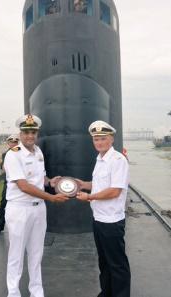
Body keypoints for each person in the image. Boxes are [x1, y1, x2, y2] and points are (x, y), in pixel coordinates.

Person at [3, 114, 68, 297]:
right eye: (26, 132)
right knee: (16, 254)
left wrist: (51, 182)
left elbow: (39, 179)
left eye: (33, 132)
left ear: (37, 133)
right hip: (19, 208)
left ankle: (36, 291)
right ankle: (13, 292)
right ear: (20, 133)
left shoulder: (38, 152)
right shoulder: (13, 155)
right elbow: (23, 185)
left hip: (38, 209)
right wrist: (51, 197)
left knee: (36, 252)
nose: (30, 136)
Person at [75, 120, 131, 297]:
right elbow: (100, 185)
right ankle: (106, 293)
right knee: (104, 262)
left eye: (103, 138)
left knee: (117, 264)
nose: (99, 142)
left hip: (112, 221)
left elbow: (115, 191)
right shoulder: (100, 159)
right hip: (99, 218)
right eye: (96, 139)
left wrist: (89, 196)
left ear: (111, 139)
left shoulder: (117, 160)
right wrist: (84, 184)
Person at [0, 134, 19, 235]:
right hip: (9, 182)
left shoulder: (22, 153)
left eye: (15, 142)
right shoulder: (5, 154)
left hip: (22, 182)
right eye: (11, 142)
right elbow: (5, 168)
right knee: (3, 203)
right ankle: (0, 226)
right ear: (8, 143)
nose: (13, 144)